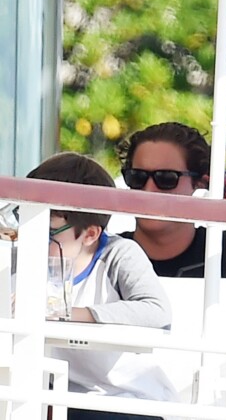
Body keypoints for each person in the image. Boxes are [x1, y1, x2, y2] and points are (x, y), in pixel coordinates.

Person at [27, 152, 178, 420]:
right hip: (56, 396)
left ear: (90, 234)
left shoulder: (119, 255)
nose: (33, 238)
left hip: (126, 400)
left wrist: (75, 314)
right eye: (28, 225)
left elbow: (157, 312)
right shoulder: (24, 258)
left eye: (47, 231)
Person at [117, 122, 226, 278]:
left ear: (201, 182)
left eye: (166, 178)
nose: (148, 189)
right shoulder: (105, 254)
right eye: (137, 177)